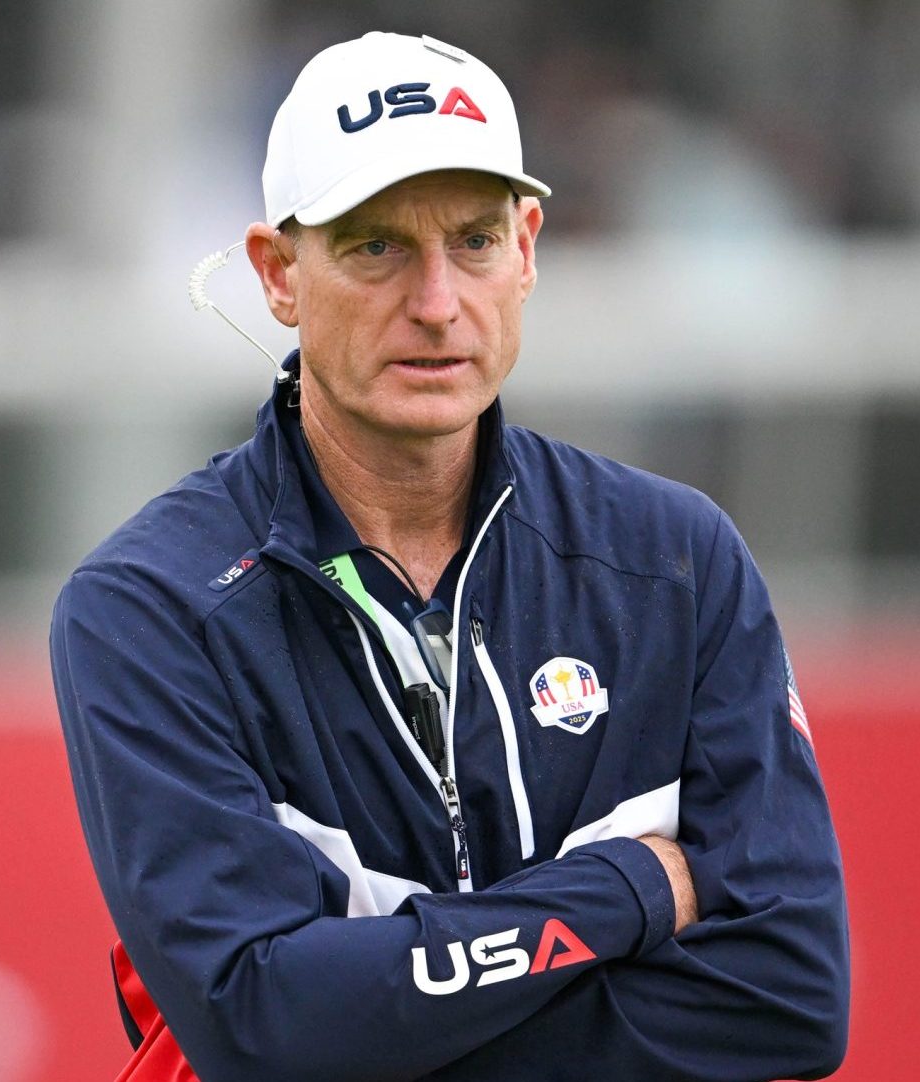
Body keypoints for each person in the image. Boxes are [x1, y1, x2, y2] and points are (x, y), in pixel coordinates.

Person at [50, 31, 848, 1082]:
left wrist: (382, 1019)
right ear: (279, 273)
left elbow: (792, 994)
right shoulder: (148, 609)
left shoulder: (675, 561)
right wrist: (631, 891)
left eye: (472, 241)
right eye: (376, 246)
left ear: (526, 249)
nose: (435, 303)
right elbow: (261, 1023)